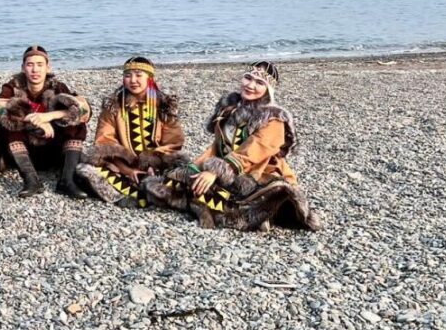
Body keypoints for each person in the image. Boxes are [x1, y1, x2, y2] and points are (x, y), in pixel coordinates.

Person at [143, 62, 322, 231]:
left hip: (258, 174)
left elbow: (253, 150)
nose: (250, 85)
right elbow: (216, 147)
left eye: (259, 82)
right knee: (180, 180)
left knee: (261, 196)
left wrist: (217, 171)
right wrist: (193, 169)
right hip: (227, 169)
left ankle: (260, 214)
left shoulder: (274, 119)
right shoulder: (230, 108)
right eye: (248, 78)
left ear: (268, 89)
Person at [77, 56, 185, 207]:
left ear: (150, 78)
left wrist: (153, 163)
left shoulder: (164, 106)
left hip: (158, 167)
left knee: (185, 174)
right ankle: (133, 195)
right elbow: (104, 142)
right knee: (86, 170)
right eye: (128, 75)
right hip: (121, 168)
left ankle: (148, 190)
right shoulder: (113, 106)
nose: (133, 80)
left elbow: (173, 143)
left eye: (139, 75)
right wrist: (127, 170)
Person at [0, 45, 93, 197]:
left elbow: (84, 111)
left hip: (51, 150)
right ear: (23, 68)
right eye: (30, 65)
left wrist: (50, 116)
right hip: (22, 153)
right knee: (7, 126)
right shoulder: (13, 87)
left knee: (76, 125)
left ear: (48, 67)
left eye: (40, 65)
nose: (35, 70)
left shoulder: (58, 87)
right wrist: (34, 120)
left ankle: (66, 181)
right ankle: (31, 180)